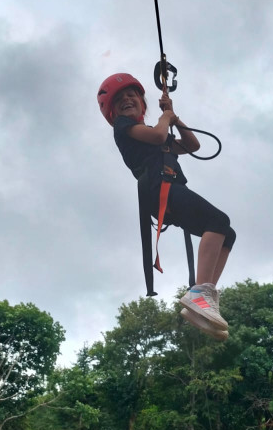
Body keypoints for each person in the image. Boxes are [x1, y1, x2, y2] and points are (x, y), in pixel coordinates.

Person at [97, 73, 236, 340]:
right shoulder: (125, 127)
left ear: (141, 101)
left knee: (226, 233)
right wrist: (165, 119)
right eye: (120, 99)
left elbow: (193, 145)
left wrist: (173, 115)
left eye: (132, 95)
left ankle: (204, 296)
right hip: (158, 189)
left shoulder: (153, 130)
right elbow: (160, 136)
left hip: (171, 188)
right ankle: (199, 293)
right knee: (217, 221)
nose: (127, 100)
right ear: (114, 112)